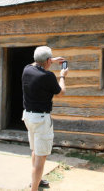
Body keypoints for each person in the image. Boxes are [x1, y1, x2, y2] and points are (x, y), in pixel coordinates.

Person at [21, 46, 68, 191]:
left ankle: (37, 181)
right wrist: (62, 76)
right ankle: (34, 188)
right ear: (47, 60)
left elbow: (35, 62)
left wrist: (50, 59)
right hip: (41, 119)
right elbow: (61, 92)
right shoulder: (48, 77)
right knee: (41, 157)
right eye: (50, 60)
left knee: (35, 151)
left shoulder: (26, 69)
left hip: (28, 117)